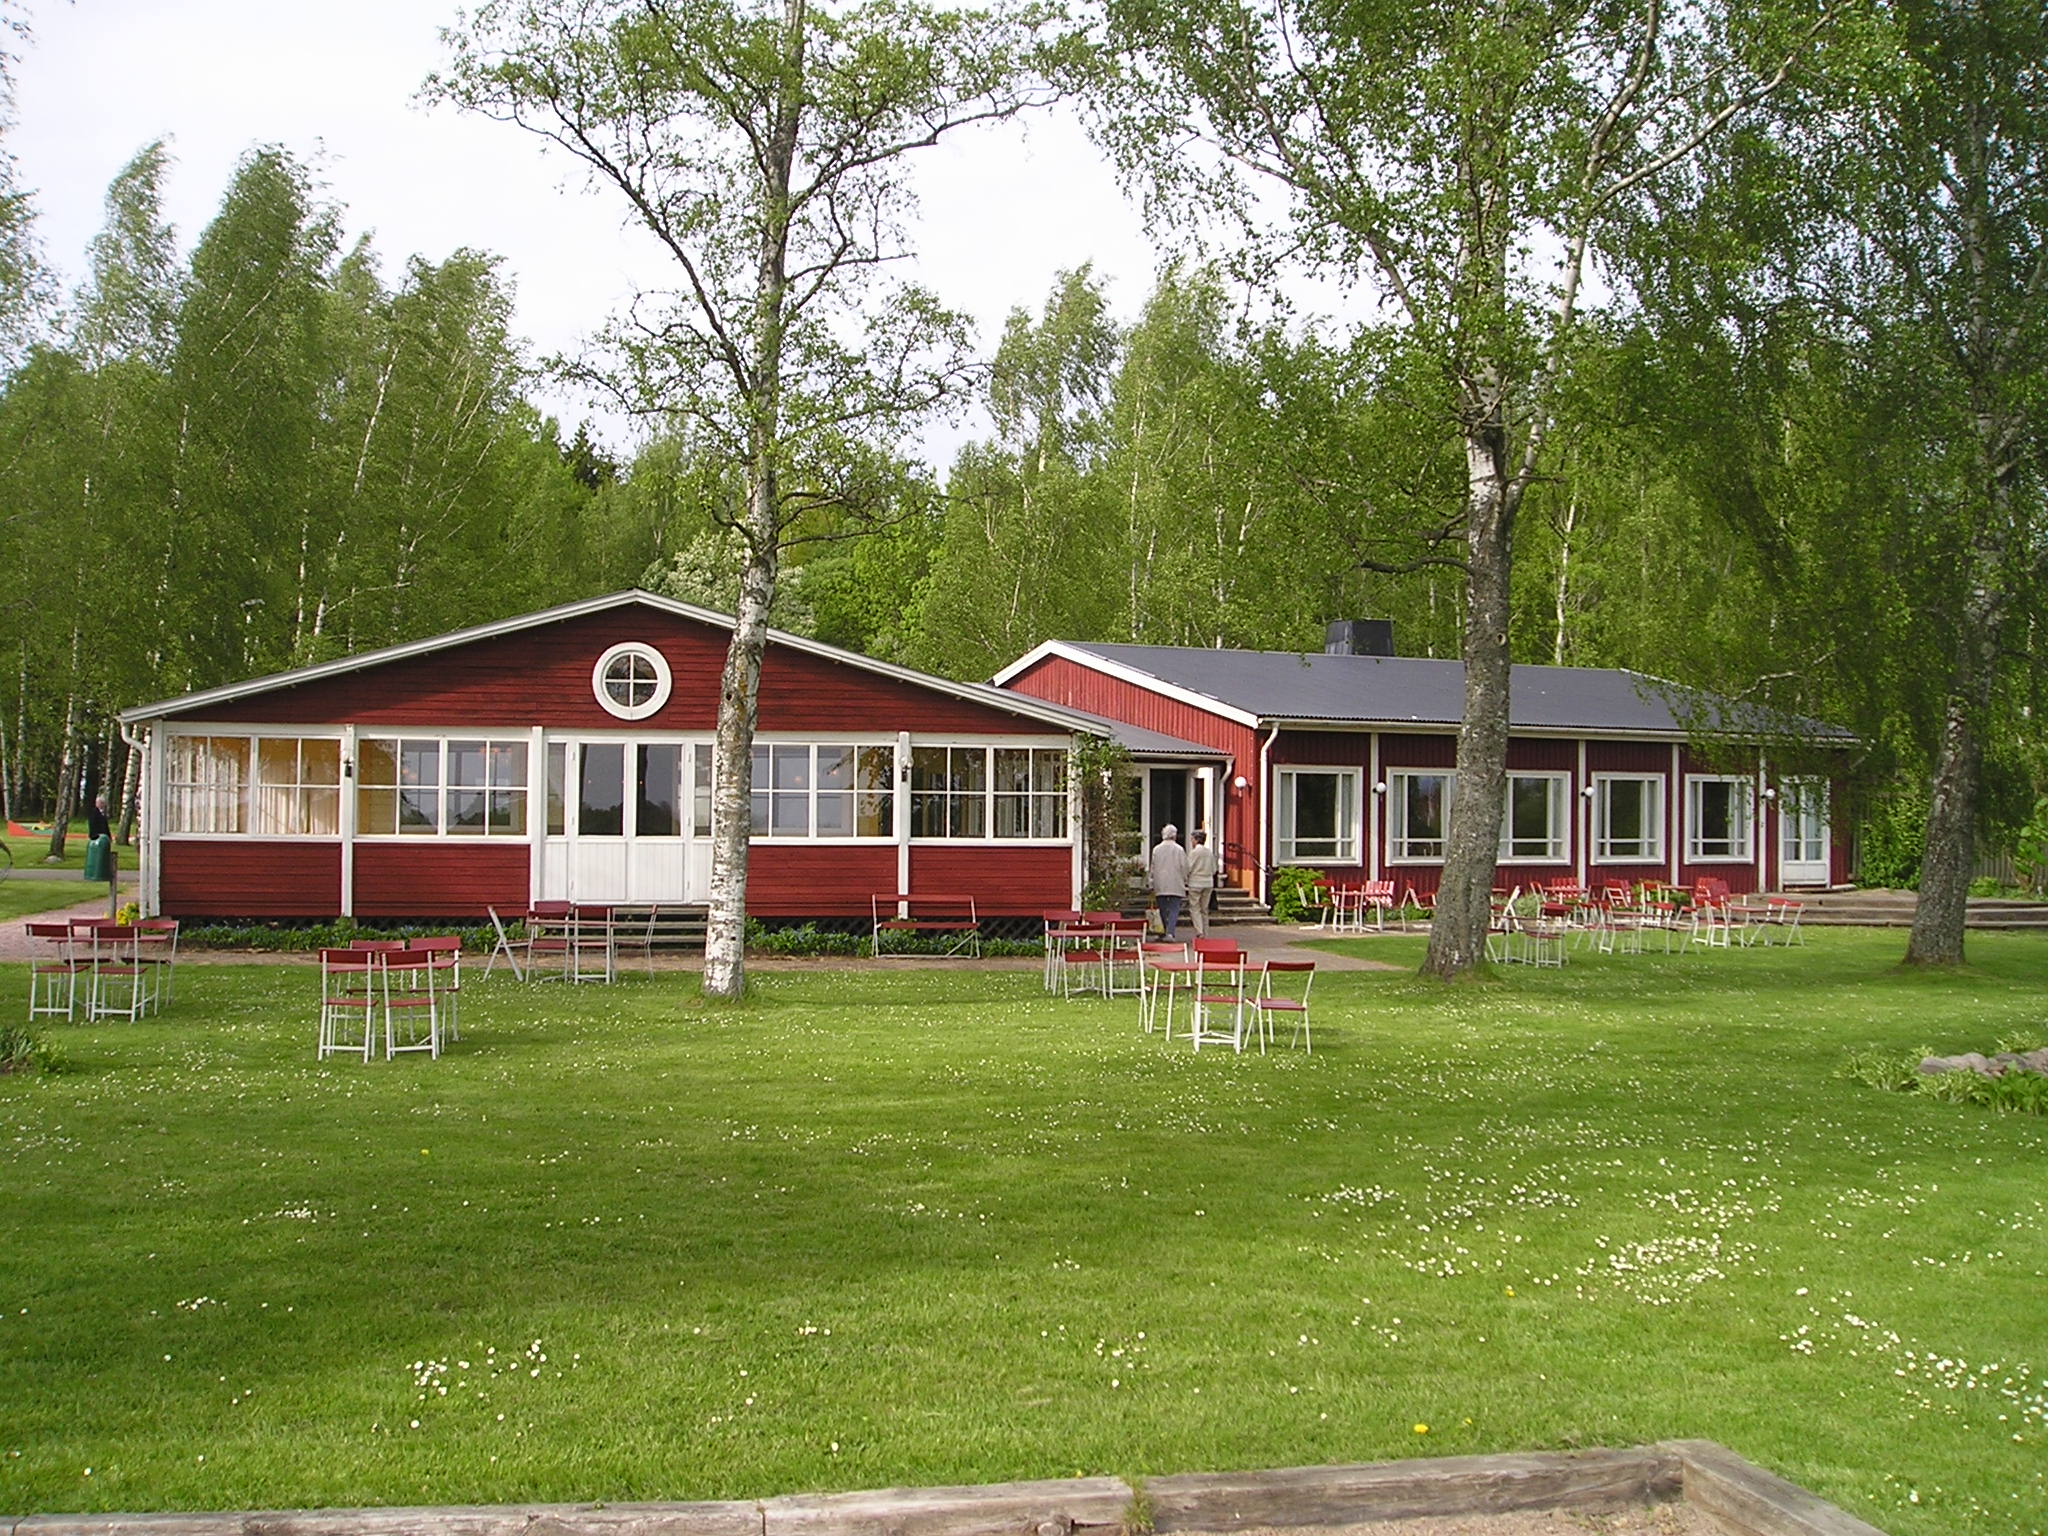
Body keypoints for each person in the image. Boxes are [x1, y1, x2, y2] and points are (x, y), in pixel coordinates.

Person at [1149, 823, 1189, 940]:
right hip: (1176, 883)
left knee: (1162, 909)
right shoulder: (1179, 849)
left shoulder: (1157, 849)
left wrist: (1151, 882)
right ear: (1174, 836)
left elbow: (1153, 867)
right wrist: (1185, 880)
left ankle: (1163, 932)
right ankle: (1170, 933)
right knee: (1174, 909)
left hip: (1160, 883)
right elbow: (1184, 867)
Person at [1186, 828, 1219, 937]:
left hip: (1195, 882)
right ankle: (1206, 932)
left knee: (1195, 908)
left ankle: (1199, 931)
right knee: (1204, 909)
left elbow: (1188, 868)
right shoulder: (1209, 853)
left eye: (1192, 839)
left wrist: (1185, 878)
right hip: (1208, 883)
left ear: (1196, 840)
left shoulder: (1194, 853)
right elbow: (1214, 869)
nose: (1191, 842)